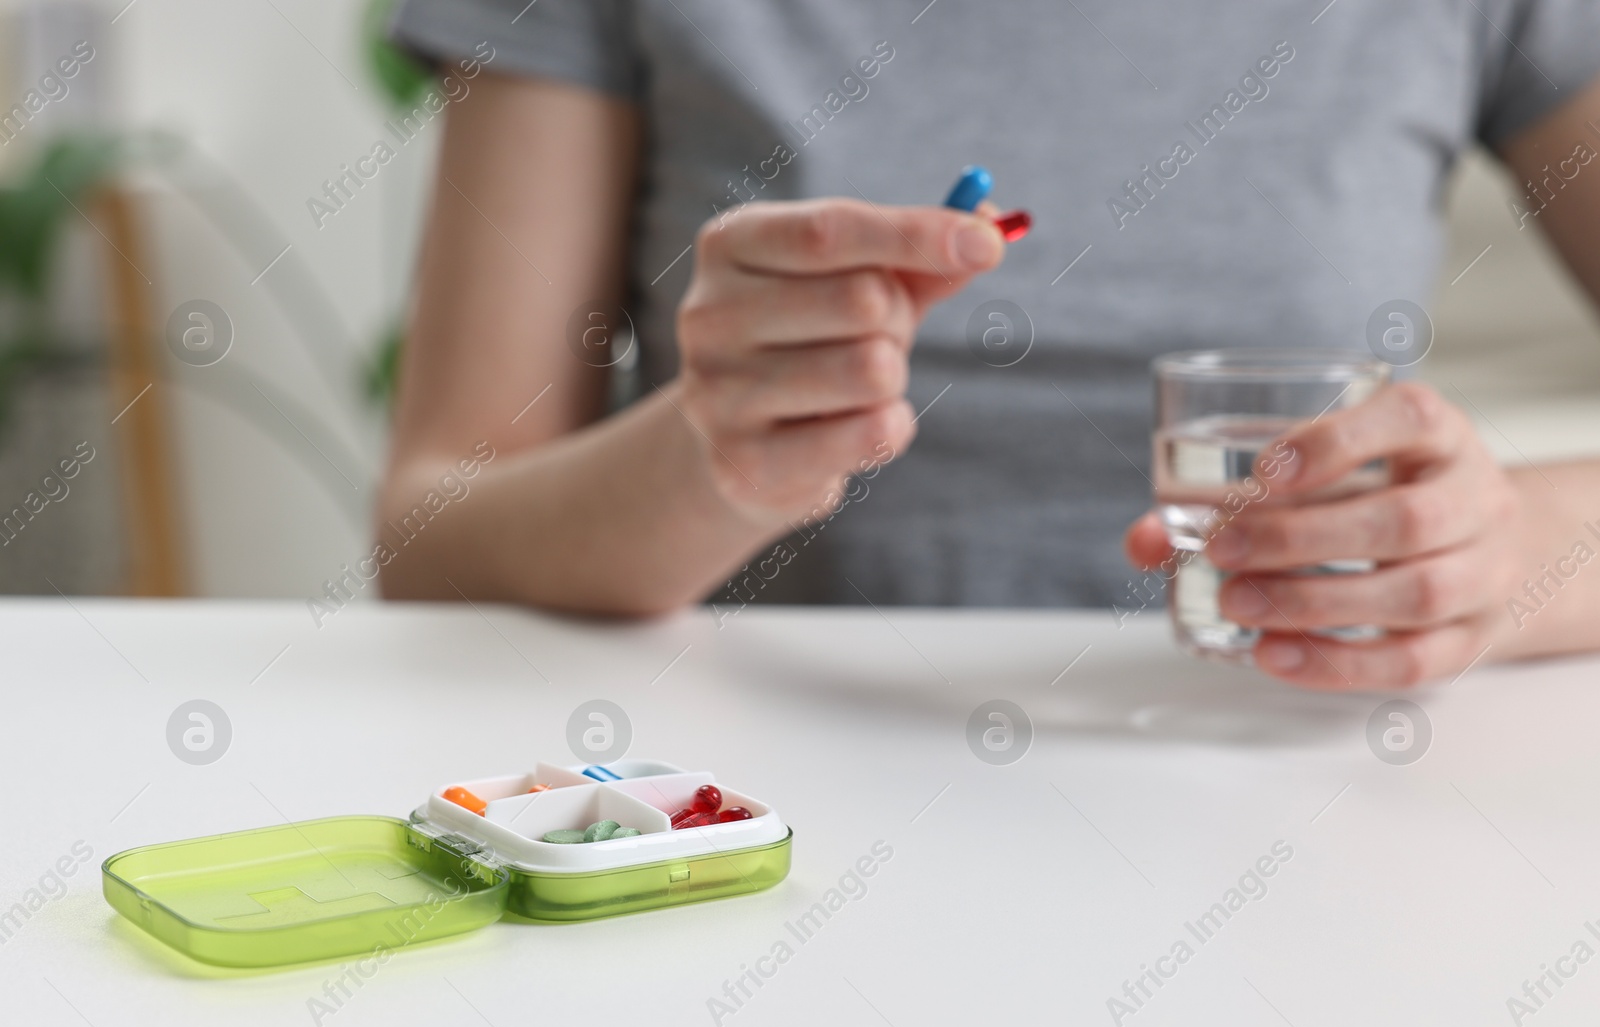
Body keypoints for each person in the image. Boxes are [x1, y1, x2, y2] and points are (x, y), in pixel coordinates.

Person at [380, 0, 1600, 690]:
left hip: (1313, 781)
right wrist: (713, 455)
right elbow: (429, 535)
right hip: (767, 806)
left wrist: (1509, 552)